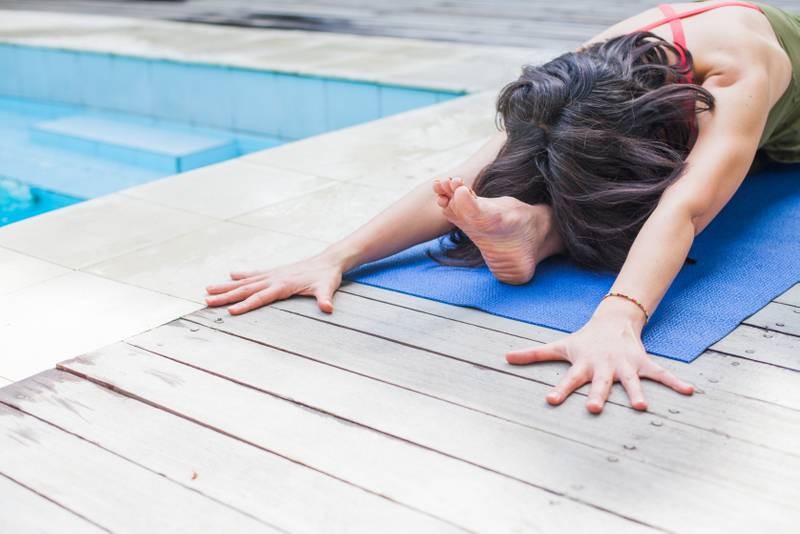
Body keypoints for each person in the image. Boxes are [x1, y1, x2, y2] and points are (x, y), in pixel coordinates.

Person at [205, 1, 800, 413]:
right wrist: (334, 257)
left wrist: (616, 318)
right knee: (557, 162)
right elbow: (465, 179)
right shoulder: (585, 71)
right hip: (674, 110)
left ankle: (542, 230)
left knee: (673, 185)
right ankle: (536, 226)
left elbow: (687, 210)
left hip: (787, 136)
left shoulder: (739, 68)